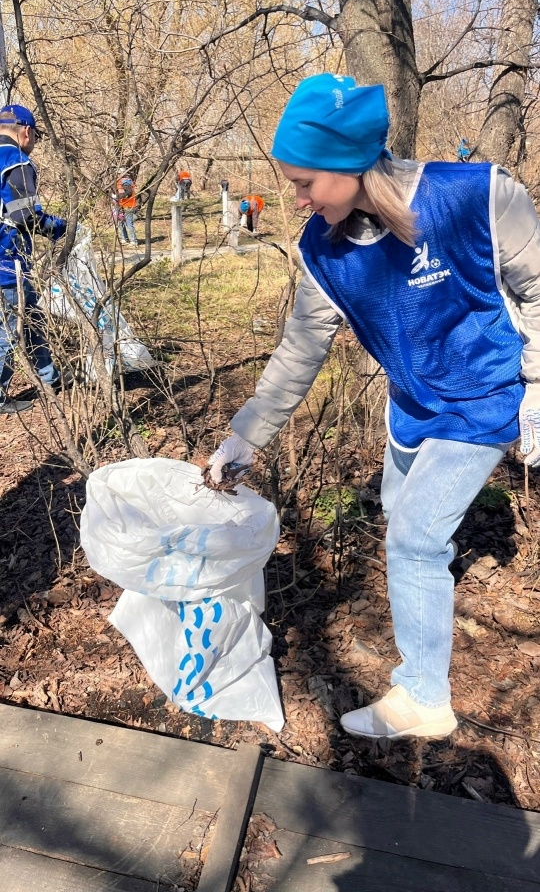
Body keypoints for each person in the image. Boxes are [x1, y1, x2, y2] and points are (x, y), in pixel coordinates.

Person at [207, 73, 540, 741]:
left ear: (352, 165)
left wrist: (537, 389)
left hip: (484, 398)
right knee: (401, 519)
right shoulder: (322, 250)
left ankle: (424, 698)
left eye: (307, 181)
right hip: (413, 407)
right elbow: (300, 349)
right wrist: (248, 435)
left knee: (415, 540)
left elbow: (537, 288)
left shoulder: (475, 196)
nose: (296, 197)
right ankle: (423, 630)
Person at [0, 103, 69, 414]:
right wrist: (62, 228)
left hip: (10, 262)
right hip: (6, 262)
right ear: (26, 131)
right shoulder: (15, 161)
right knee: (8, 331)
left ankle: (50, 376)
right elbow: (27, 216)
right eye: (36, 136)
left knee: (32, 317)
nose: (34, 142)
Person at [115, 168, 138, 246]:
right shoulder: (119, 182)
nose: (117, 175)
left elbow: (129, 192)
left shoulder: (125, 181)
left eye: (118, 174)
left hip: (128, 206)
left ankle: (133, 241)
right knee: (121, 223)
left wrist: (120, 196)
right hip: (121, 206)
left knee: (129, 223)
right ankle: (125, 239)